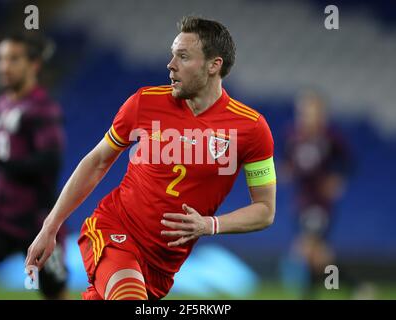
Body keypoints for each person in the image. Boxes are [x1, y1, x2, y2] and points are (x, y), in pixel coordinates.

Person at [26, 16, 277, 300]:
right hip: (115, 230)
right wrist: (51, 226)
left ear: (213, 65)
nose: (171, 65)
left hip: (163, 266)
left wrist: (210, 225)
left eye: (183, 57)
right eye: (172, 55)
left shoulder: (252, 129)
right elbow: (97, 161)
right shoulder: (144, 103)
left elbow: (265, 210)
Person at [0, 32, 68, 300]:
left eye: (14, 59)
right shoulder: (3, 104)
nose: (4, 66)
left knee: (55, 294)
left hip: (36, 222)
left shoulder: (43, 110)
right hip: (0, 215)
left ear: (34, 65)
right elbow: (9, 167)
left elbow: (49, 163)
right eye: (1, 59)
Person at [282, 90, 351, 298]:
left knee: (305, 248)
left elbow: (347, 163)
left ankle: (312, 293)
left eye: (310, 111)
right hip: (301, 201)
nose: (305, 115)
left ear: (321, 113)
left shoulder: (330, 138)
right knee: (318, 255)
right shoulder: (292, 136)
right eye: (302, 111)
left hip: (320, 203)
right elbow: (289, 162)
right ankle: (352, 288)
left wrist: (337, 180)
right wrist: (286, 171)